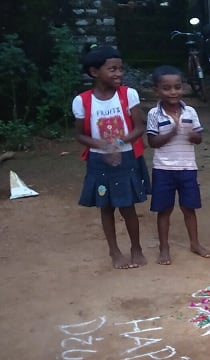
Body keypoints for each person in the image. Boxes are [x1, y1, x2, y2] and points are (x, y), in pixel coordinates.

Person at [72, 45, 149, 269]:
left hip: (126, 159)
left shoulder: (128, 94)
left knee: (128, 207)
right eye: (112, 69)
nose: (118, 73)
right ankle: (114, 251)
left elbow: (138, 127)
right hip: (99, 163)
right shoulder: (82, 101)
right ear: (95, 72)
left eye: (120, 69)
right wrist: (101, 146)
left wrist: (119, 143)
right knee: (106, 207)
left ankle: (136, 248)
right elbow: (79, 134)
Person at [145, 65, 210, 265]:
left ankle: (195, 243)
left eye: (177, 87)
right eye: (166, 88)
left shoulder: (190, 111)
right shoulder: (154, 114)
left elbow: (199, 138)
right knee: (163, 210)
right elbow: (152, 142)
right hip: (163, 169)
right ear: (157, 91)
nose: (173, 92)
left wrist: (194, 135)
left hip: (187, 168)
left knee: (189, 208)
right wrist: (172, 133)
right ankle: (164, 248)